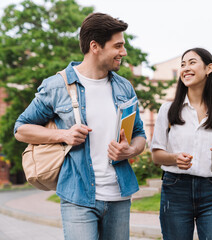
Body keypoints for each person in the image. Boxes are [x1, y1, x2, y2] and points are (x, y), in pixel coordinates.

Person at [14, 13, 146, 240]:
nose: (123, 52)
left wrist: (131, 150)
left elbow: (140, 135)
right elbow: (21, 129)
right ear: (95, 46)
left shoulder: (125, 88)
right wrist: (64, 135)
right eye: (118, 46)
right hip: (78, 197)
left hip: (119, 196)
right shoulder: (57, 85)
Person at [151, 48, 212, 240]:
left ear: (209, 68)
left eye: (192, 62)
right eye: (183, 64)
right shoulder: (168, 110)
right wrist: (174, 158)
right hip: (175, 190)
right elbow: (156, 154)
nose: (185, 68)